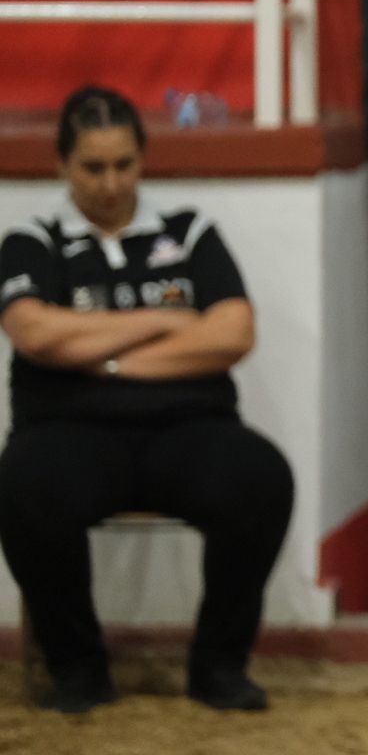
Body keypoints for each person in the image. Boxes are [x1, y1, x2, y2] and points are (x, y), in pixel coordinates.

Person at [0, 88, 294, 714]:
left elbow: (232, 333)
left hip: (186, 429)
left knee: (261, 477)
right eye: (93, 167)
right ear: (62, 165)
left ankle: (218, 668)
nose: (111, 184)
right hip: (68, 433)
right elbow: (36, 334)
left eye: (125, 164)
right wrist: (166, 321)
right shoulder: (33, 241)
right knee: (23, 485)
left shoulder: (188, 231)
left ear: (143, 158)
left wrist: (97, 359)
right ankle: (78, 671)